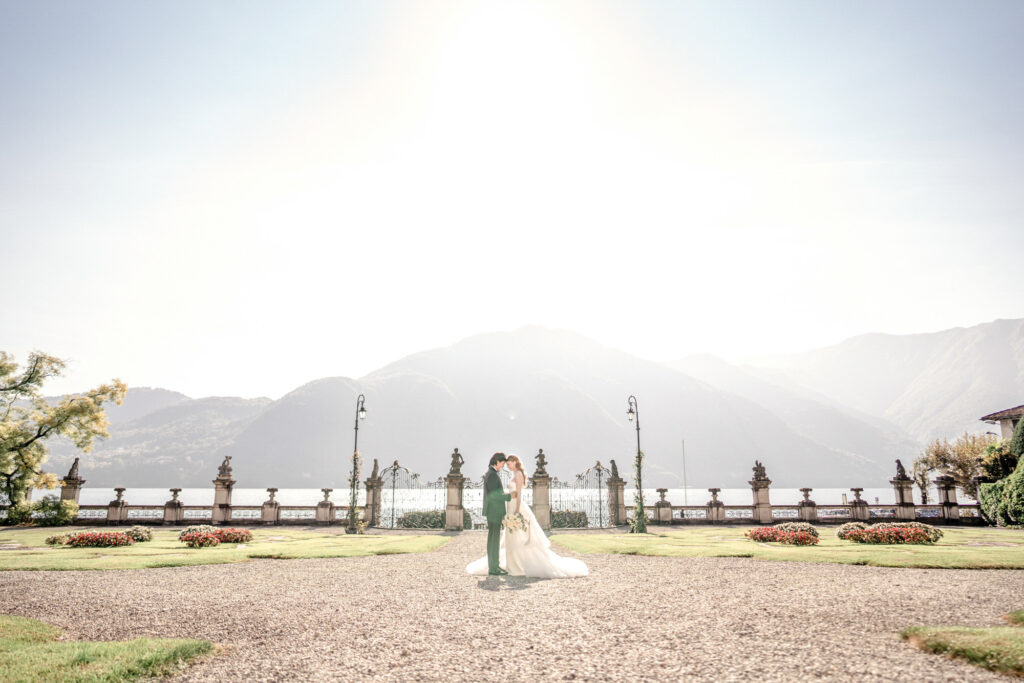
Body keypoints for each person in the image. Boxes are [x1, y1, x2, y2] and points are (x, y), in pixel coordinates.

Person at [466, 453, 589, 579]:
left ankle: (505, 565)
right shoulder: (492, 475)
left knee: (507, 537)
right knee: (496, 539)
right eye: (504, 464)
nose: (505, 466)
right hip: (497, 510)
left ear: (514, 462)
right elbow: (494, 495)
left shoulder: (509, 474)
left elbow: (511, 494)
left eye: (507, 464)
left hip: (511, 507)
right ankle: (496, 566)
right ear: (497, 462)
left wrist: (516, 507)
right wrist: (508, 496)